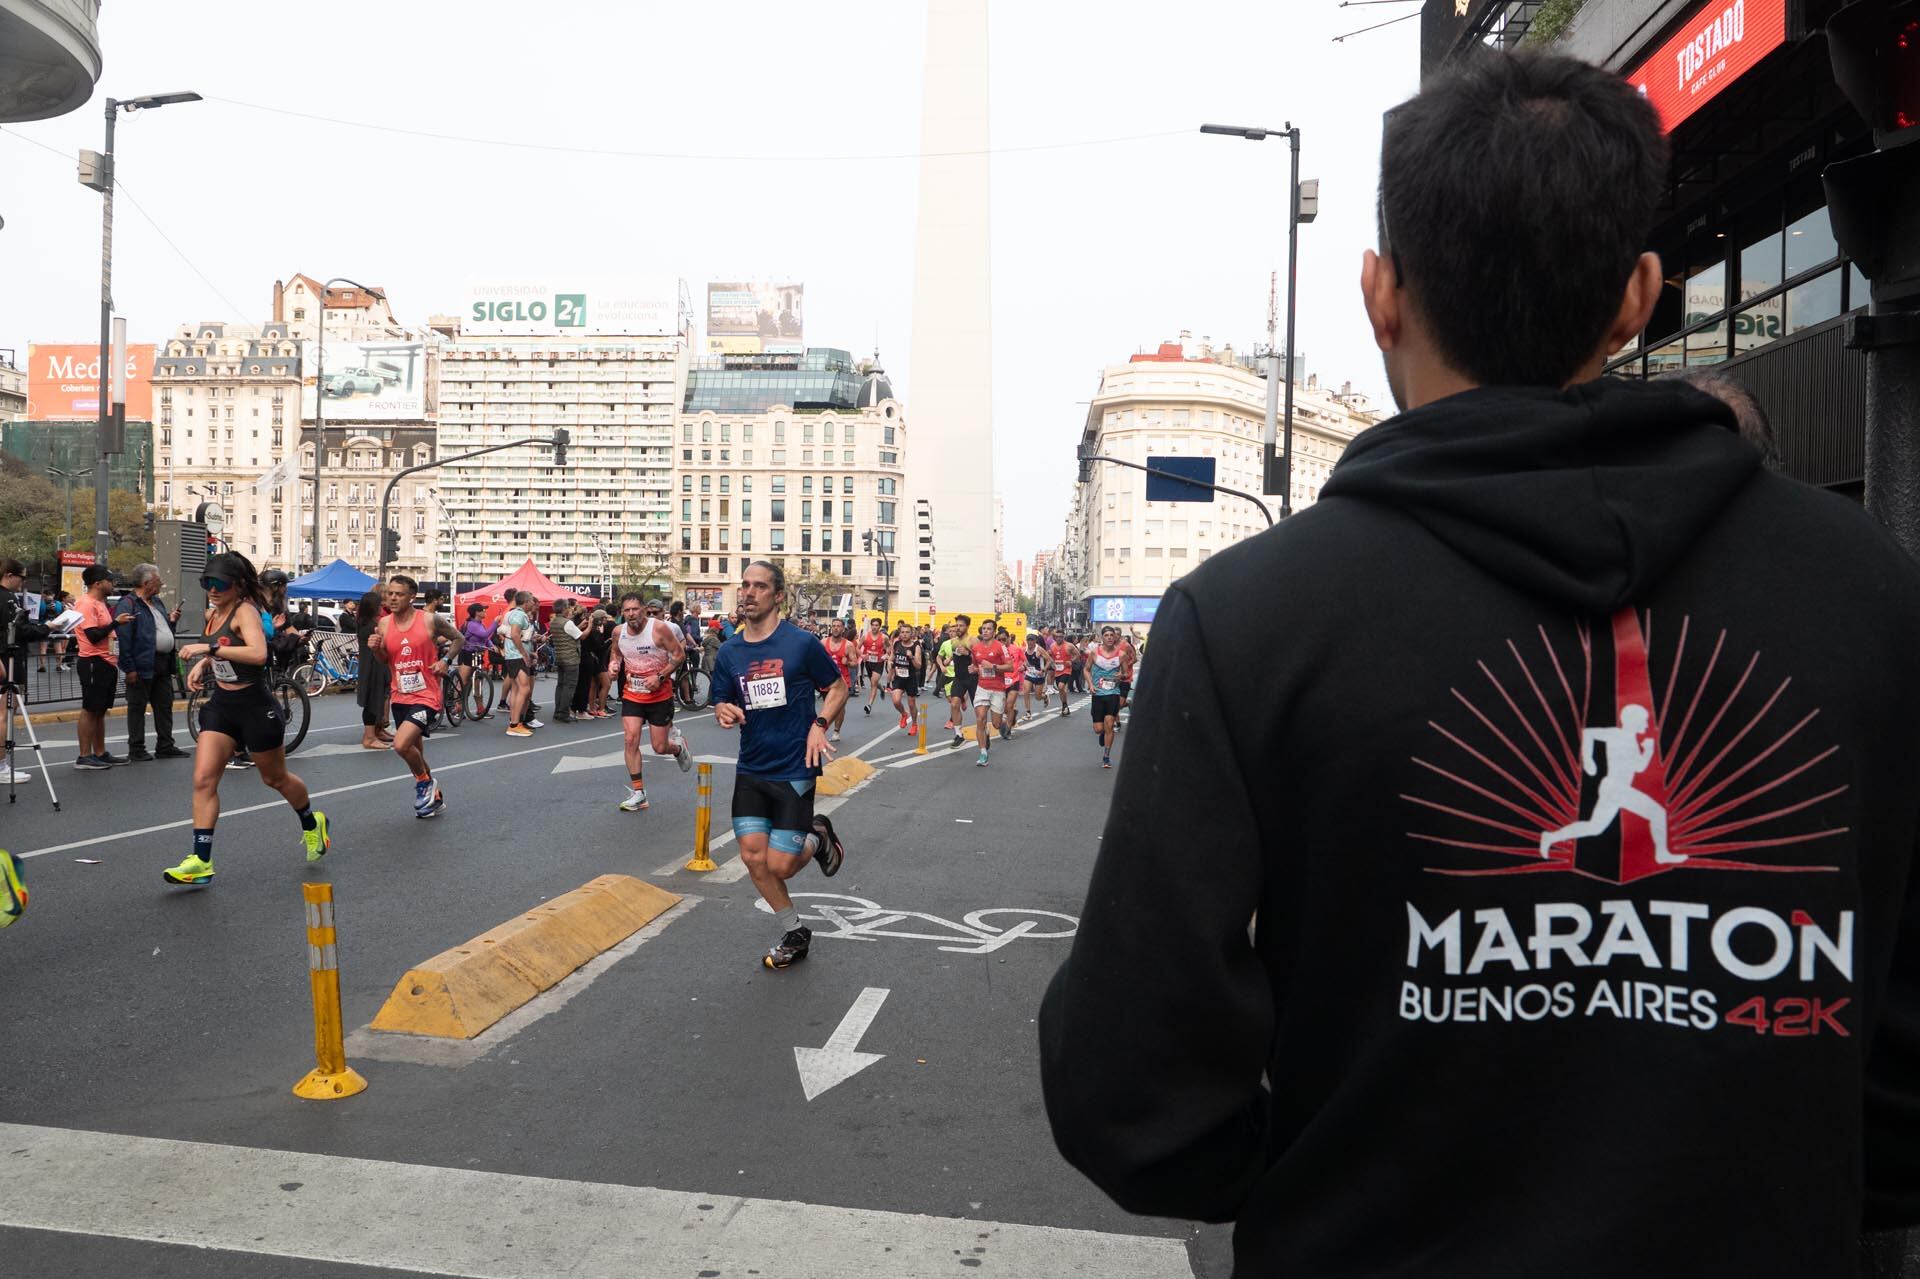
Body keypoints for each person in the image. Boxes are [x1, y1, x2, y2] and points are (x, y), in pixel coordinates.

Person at [1039, 50, 1920, 1276]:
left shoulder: (1250, 619)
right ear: (1638, 295)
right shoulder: (1870, 592)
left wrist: (1321, 1167)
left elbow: (1130, 1095)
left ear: (1379, 296)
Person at [709, 561, 846, 971]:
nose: (748, 593)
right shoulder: (731, 650)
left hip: (794, 766)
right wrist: (723, 709)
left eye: (759, 587)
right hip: (751, 766)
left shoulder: (801, 644)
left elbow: (838, 686)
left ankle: (818, 836)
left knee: (781, 864)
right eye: (744, 585)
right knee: (753, 859)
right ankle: (795, 931)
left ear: (778, 596)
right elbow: (720, 698)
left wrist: (819, 725)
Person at [162, 552, 327, 886]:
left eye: (219, 583)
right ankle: (200, 861)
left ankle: (312, 822)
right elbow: (222, 647)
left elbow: (257, 653)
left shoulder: (246, 611)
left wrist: (207, 652)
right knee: (203, 779)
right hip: (222, 705)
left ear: (237, 586)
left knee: (275, 778)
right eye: (207, 583)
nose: (212, 589)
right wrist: (205, 663)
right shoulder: (214, 612)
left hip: (255, 707)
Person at [368, 575, 461, 819]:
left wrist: (445, 660)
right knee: (415, 753)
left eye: (398, 594)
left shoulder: (429, 620)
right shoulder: (385, 624)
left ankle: (424, 784)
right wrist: (376, 648)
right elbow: (385, 660)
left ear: (412, 597)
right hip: (400, 694)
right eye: (389, 593)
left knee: (400, 744)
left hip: (427, 694)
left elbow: (458, 639)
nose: (393, 598)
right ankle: (434, 798)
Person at [607, 592, 692, 811]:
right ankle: (639, 794)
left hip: (659, 695)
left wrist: (661, 676)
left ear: (644, 609)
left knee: (659, 746)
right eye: (627, 610)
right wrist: (613, 666)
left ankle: (678, 748)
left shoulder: (659, 629)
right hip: (632, 694)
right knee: (630, 740)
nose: (631, 614)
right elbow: (616, 654)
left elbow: (679, 654)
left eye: (635, 609)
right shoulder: (618, 631)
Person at [113, 563, 186, 762]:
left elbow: (159, 629)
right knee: (137, 706)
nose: (161, 583)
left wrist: (171, 621)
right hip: (142, 662)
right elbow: (125, 638)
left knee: (164, 704)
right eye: (157, 580)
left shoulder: (157, 602)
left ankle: (165, 745)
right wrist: (129, 668)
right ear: (146, 583)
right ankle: (136, 748)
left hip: (162, 661)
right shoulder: (128, 604)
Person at [0, 558, 52, 785]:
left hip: (9, 659)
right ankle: (1, 765)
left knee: (5, 713)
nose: (22, 583)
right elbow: (19, 630)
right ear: (9, 575)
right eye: (21, 578)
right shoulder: (6, 598)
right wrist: (47, 628)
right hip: (6, 661)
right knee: (3, 714)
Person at [71, 565, 123, 769]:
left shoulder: (99, 603)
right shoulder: (85, 604)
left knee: (100, 710)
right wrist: (116, 624)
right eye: (110, 581)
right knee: (90, 709)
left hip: (107, 661)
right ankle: (84, 756)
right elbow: (93, 636)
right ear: (97, 583)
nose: (113, 584)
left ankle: (100, 753)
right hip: (93, 661)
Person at [967, 618, 1015, 766]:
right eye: (983, 628)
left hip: (997, 689)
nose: (985, 631)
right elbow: (976, 666)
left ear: (994, 632)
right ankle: (983, 753)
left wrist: (993, 666)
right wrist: (973, 669)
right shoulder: (976, 649)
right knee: (980, 718)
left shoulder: (1000, 647)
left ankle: (1000, 725)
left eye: (988, 629)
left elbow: (1010, 667)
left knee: (995, 724)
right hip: (982, 687)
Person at [353, 588, 393, 751]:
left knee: (378, 698)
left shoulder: (365, 623)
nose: (381, 607)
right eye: (378, 604)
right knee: (372, 700)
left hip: (373, 664)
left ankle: (377, 731)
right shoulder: (371, 626)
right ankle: (369, 737)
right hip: (372, 666)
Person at [1084, 627, 1127, 770]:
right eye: (1106, 635)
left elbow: (1125, 673)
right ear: (1102, 637)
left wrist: (1121, 676)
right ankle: (1102, 733)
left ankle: (1106, 756)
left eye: (1111, 635)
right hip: (1098, 693)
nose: (1109, 637)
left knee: (1109, 723)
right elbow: (1086, 669)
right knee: (1098, 728)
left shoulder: (1121, 655)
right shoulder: (1094, 653)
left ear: (1115, 638)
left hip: (1113, 693)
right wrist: (1090, 684)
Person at [499, 590, 537, 737]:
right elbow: (514, 634)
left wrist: (528, 651)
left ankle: (514, 722)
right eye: (532, 601)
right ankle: (515, 724)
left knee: (516, 689)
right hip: (516, 656)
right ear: (526, 602)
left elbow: (511, 635)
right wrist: (524, 654)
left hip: (512, 655)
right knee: (524, 689)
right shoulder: (519, 615)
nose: (534, 603)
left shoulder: (511, 613)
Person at [937, 616, 974, 743]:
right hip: (958, 678)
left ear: (967, 627)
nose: (958, 628)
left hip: (973, 679)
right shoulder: (953, 642)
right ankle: (959, 735)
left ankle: (983, 730)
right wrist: (948, 660)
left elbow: (980, 657)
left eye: (961, 625)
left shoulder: (972, 641)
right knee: (954, 704)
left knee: (979, 711)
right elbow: (956, 653)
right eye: (956, 625)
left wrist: (969, 654)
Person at [549, 598, 584, 724]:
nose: (569, 609)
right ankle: (563, 713)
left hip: (560, 657)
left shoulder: (554, 622)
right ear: (564, 609)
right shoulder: (567, 623)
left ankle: (558, 711)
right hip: (571, 658)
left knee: (561, 685)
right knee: (569, 686)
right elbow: (581, 636)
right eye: (568, 607)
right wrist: (590, 626)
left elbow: (569, 632)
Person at [820, 619, 855, 742]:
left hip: (842, 682)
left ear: (843, 629)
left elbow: (855, 663)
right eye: (834, 626)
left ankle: (836, 731)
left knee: (839, 708)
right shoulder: (823, 642)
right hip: (827, 681)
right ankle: (822, 730)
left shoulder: (849, 645)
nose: (835, 628)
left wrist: (848, 662)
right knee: (827, 708)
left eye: (838, 626)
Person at [887, 619, 922, 734]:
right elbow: (891, 657)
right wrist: (889, 662)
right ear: (900, 633)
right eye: (902, 632)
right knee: (896, 701)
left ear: (911, 634)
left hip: (911, 678)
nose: (904, 634)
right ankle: (904, 714)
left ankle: (915, 724)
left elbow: (919, 665)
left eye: (907, 632)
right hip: (899, 678)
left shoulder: (915, 646)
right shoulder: (896, 644)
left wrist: (911, 657)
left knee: (911, 703)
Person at [457, 602, 492, 718]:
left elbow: (485, 638)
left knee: (478, 682)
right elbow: (485, 634)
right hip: (467, 653)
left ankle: (480, 708)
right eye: (483, 610)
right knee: (463, 681)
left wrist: (492, 646)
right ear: (477, 612)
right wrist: (496, 623)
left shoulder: (480, 624)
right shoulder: (472, 624)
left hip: (477, 655)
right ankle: (457, 707)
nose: (485, 612)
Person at [858, 618, 888, 714]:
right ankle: (882, 689)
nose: (874, 627)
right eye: (873, 625)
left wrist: (886, 655)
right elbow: (857, 648)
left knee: (873, 683)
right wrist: (862, 655)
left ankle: (869, 705)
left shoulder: (884, 637)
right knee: (873, 682)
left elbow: (889, 648)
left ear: (879, 626)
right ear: (871, 626)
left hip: (879, 662)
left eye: (877, 625)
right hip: (869, 662)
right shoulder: (865, 636)